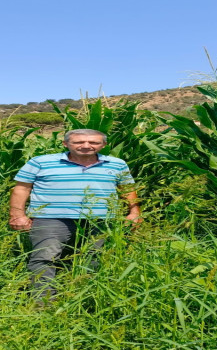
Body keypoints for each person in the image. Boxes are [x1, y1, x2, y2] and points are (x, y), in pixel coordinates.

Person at [9, 129, 141, 301]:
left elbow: (127, 189)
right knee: (45, 257)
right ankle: (42, 304)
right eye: (79, 142)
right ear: (65, 144)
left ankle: (88, 300)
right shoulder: (41, 162)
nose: (86, 146)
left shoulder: (117, 164)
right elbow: (22, 188)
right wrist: (17, 215)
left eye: (93, 142)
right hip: (51, 218)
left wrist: (135, 211)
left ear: (104, 145)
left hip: (101, 219)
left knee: (96, 258)